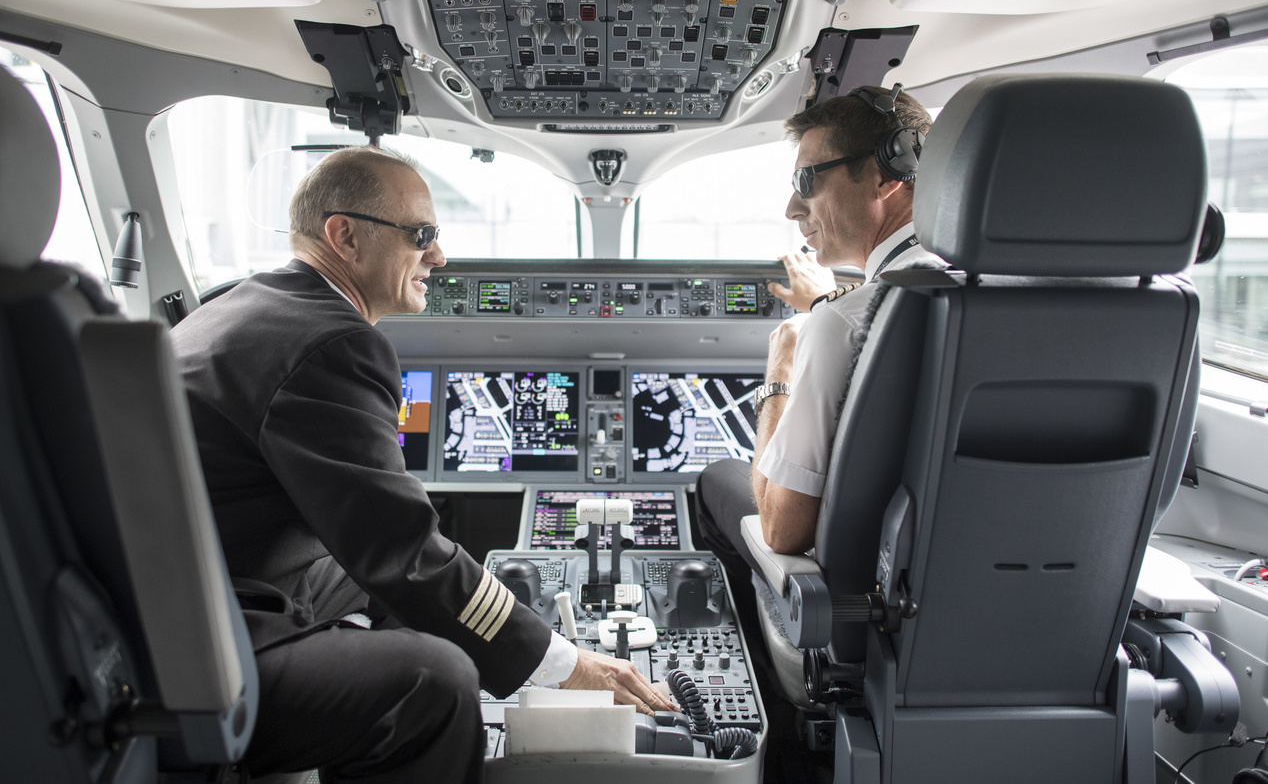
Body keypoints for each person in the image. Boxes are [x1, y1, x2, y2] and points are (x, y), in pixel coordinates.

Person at [172, 146, 673, 784]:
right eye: (423, 235)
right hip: (193, 640)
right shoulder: (333, 342)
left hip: (201, 587)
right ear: (344, 235)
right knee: (435, 684)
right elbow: (404, 553)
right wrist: (565, 664)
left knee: (381, 587)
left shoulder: (250, 305)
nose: (439, 256)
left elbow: (382, 553)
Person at [694, 85, 939, 582]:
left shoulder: (847, 321)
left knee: (717, 477)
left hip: (867, 613)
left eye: (806, 180)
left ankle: (759, 654)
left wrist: (785, 360)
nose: (791, 208)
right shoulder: (1045, 298)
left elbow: (783, 530)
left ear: (887, 173)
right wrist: (827, 306)